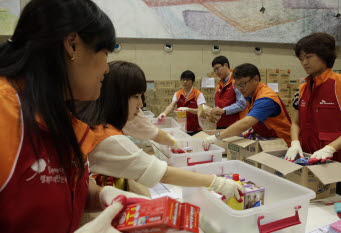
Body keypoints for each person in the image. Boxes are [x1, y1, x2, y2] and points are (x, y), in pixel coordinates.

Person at [0, 1, 143, 232]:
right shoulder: (5, 114)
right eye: (105, 53)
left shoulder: (59, 116)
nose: (107, 68)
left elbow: (57, 190)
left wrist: (102, 195)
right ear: (72, 45)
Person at [77, 61, 244, 202]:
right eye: (136, 96)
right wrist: (215, 182)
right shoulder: (108, 138)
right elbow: (163, 174)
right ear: (116, 97)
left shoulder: (100, 123)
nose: (141, 104)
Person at [285, 32, 341, 198]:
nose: (304, 63)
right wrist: (294, 142)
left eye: (309, 56)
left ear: (324, 55)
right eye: (301, 58)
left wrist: (330, 148)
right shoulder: (301, 90)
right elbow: (296, 123)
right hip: (309, 164)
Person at [203, 63, 292, 149]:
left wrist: (217, 137)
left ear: (256, 79)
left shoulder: (266, 98)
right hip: (268, 141)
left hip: (283, 144)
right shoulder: (251, 96)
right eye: (237, 85)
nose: (240, 88)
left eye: (243, 84)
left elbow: (247, 122)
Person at [157, 70, 205, 135]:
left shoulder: (198, 94)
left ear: (193, 81)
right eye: (183, 80)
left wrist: (188, 109)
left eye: (187, 80)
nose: (185, 82)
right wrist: (164, 113)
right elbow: (171, 106)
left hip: (196, 128)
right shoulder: (178, 93)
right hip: (181, 128)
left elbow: (201, 110)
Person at [210, 56, 247, 129]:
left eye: (218, 68)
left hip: (235, 126)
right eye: (215, 70)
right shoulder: (219, 85)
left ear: (226, 65)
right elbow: (216, 104)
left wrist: (223, 110)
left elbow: (242, 103)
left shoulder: (236, 81)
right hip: (220, 125)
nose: (217, 72)